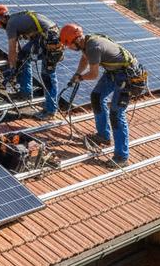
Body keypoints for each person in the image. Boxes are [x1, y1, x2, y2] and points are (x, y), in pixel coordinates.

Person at [60, 23, 141, 166]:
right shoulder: (87, 42)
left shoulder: (93, 46)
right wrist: (77, 74)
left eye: (69, 45)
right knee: (96, 96)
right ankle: (103, 135)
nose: (70, 49)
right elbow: (85, 58)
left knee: (116, 114)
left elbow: (93, 74)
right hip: (114, 72)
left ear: (76, 40)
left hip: (127, 75)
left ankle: (122, 157)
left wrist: (81, 78)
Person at [0, 5, 63, 120]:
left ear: (2, 18)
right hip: (47, 36)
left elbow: (12, 50)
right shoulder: (16, 20)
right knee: (23, 57)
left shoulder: (11, 25)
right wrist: (15, 66)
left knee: (47, 75)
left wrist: (12, 69)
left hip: (49, 39)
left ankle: (50, 111)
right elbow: (18, 52)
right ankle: (25, 93)